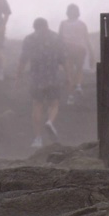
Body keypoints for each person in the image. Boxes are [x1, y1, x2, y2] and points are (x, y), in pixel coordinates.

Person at [16, 18, 68, 148]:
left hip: (36, 78)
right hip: (53, 77)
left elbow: (23, 60)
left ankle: (38, 139)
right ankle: (50, 121)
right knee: (54, 104)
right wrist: (69, 76)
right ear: (47, 25)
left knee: (37, 106)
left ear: (34, 27)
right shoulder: (56, 38)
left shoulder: (29, 39)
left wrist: (18, 77)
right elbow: (63, 59)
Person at [58, 4, 92, 105]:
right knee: (76, 70)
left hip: (71, 49)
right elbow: (86, 39)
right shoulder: (81, 24)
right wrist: (91, 52)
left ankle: (71, 95)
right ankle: (77, 87)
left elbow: (60, 38)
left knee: (71, 72)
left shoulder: (64, 23)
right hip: (76, 49)